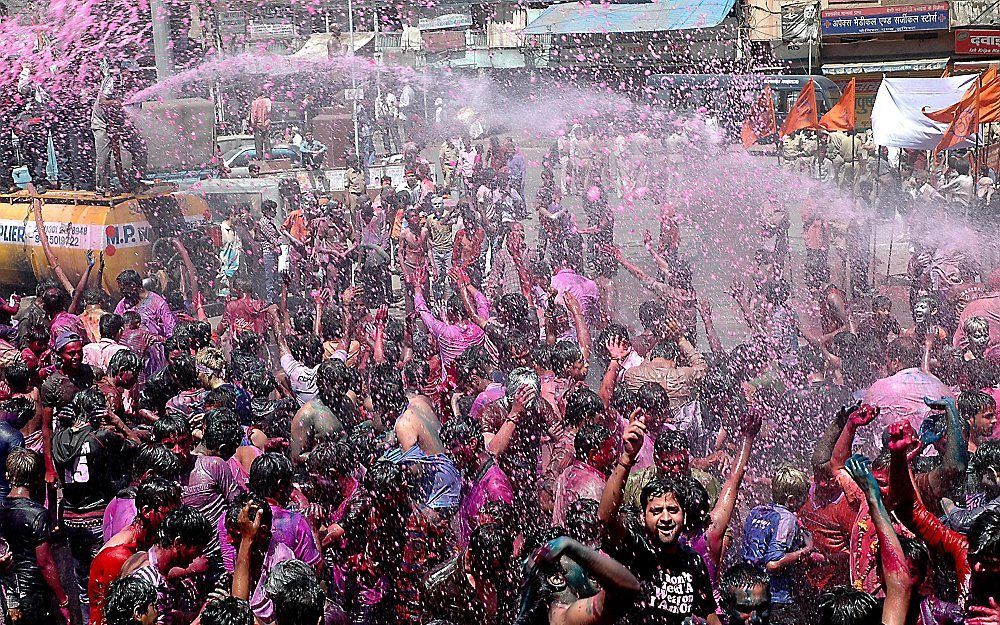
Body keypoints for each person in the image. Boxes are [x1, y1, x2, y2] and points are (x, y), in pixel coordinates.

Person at [598, 413, 722, 625]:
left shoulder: (693, 562)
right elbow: (606, 517)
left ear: (685, 516)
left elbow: (708, 615)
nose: (665, 518)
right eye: (656, 512)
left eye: (673, 510)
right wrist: (626, 460)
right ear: (643, 517)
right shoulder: (636, 552)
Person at [740, 466, 814, 625]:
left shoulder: (756, 512)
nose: (806, 501)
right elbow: (773, 563)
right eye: (804, 497)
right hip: (776, 600)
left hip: (748, 596)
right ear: (792, 499)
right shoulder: (786, 518)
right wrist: (806, 550)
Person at [250, 90, 273, 161]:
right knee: (267, 140)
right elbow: (270, 111)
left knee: (258, 142)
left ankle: (259, 157)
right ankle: (268, 156)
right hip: (267, 124)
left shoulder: (255, 102)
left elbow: (254, 114)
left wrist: (253, 124)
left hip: (258, 125)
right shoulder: (268, 101)